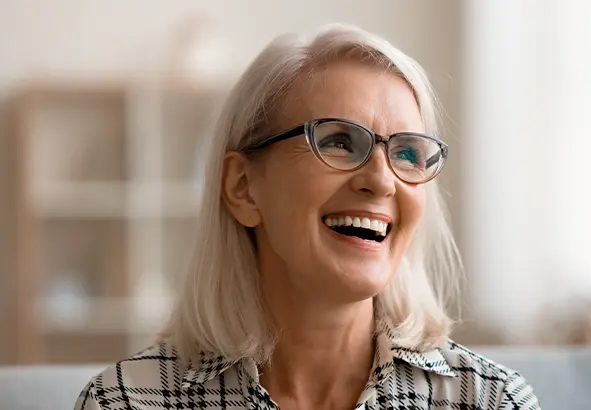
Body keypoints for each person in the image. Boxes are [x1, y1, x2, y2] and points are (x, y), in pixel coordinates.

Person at [74, 23, 540, 410]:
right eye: (338, 141)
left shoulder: (490, 401)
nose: (381, 181)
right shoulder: (127, 402)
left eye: (407, 153)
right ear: (242, 188)